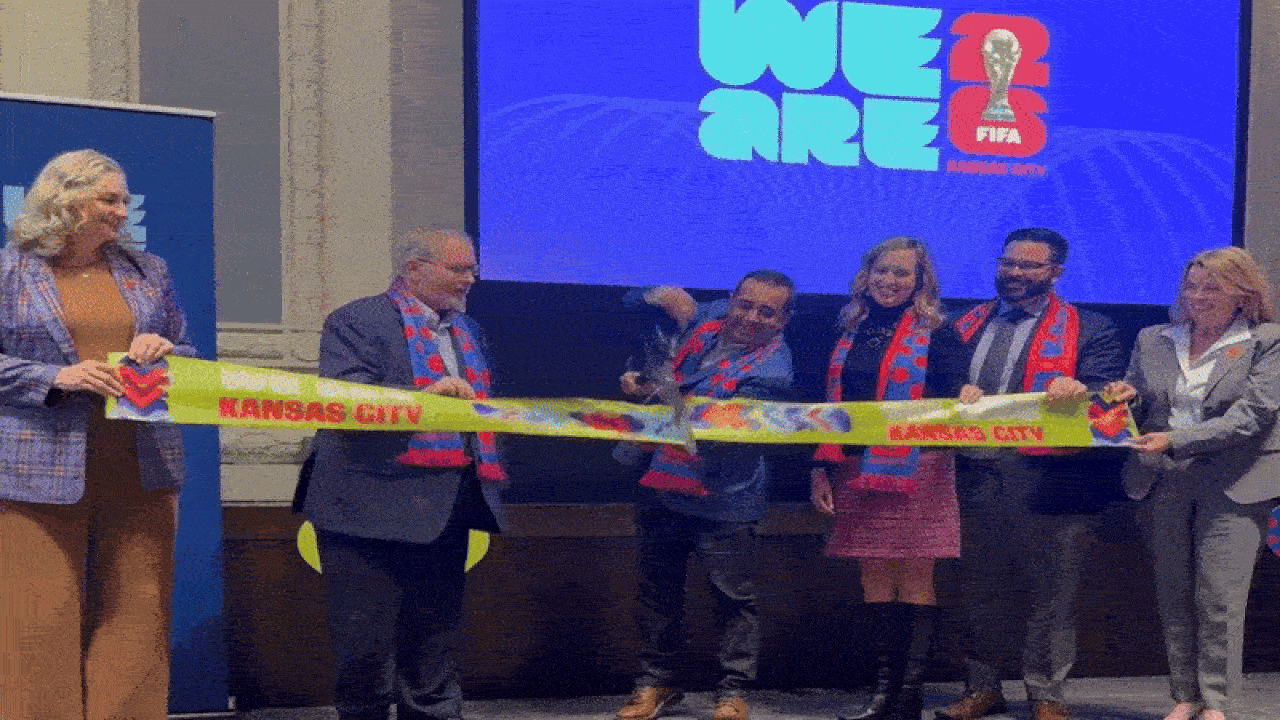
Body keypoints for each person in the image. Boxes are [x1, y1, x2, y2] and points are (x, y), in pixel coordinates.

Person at [0, 149, 195, 720]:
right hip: (32, 475)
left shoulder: (149, 270)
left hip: (142, 468)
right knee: (35, 623)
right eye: (109, 198)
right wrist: (53, 377)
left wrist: (163, 349)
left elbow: (186, 352)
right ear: (64, 198)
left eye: (124, 199)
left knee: (138, 620)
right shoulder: (9, 269)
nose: (122, 210)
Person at [295, 228, 504, 720]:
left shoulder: (470, 331)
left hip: (446, 507)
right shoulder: (356, 320)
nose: (470, 280)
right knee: (364, 652)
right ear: (414, 269)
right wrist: (424, 398)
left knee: (434, 650)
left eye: (472, 269)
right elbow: (345, 401)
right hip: (365, 512)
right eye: (458, 269)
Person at [929, 227, 1124, 720]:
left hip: (1052, 479)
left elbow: (1107, 392)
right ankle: (982, 688)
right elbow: (936, 386)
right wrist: (956, 388)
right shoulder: (961, 323)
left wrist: (1080, 387)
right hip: (974, 473)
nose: (1014, 273)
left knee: (1053, 590)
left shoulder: (1091, 327)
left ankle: (1046, 694)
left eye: (1029, 266)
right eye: (1008, 263)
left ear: (1055, 272)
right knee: (978, 587)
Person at [1105, 247, 1280, 720]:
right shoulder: (1154, 338)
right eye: (1191, 286)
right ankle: (1185, 696)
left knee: (1220, 597)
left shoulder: (1267, 341)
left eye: (1211, 288)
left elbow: (1253, 415)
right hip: (1162, 479)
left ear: (1242, 294)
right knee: (1173, 594)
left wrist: (1175, 440)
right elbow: (1138, 403)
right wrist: (1125, 398)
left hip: (1237, 481)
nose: (1197, 297)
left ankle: (1216, 703)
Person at [615, 270, 795, 720]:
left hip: (725, 495)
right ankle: (656, 683)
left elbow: (716, 432)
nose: (750, 317)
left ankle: (733, 692)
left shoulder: (774, 372)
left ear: (783, 320)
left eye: (766, 312)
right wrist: (658, 295)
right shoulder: (709, 316)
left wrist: (656, 399)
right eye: (744, 304)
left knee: (732, 600)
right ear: (730, 299)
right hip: (663, 486)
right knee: (657, 594)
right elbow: (631, 299)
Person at [809, 237, 959, 720]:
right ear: (866, 273)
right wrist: (820, 467)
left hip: (920, 468)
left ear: (919, 282)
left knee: (914, 578)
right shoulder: (846, 329)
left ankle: (908, 698)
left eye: (901, 273)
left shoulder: (940, 332)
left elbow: (956, 398)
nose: (889, 281)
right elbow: (827, 408)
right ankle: (882, 696)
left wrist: (970, 393)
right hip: (853, 468)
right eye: (882, 270)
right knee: (873, 577)